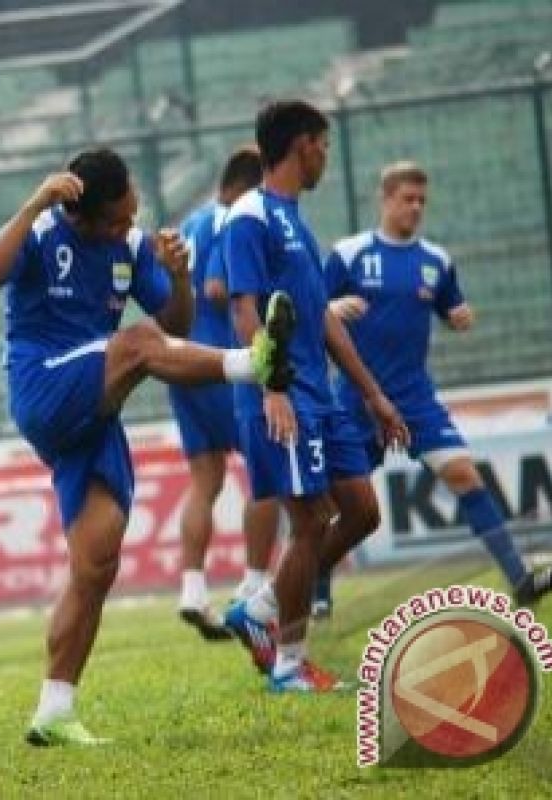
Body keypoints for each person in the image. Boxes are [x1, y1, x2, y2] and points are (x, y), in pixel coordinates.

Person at [0, 146, 296, 746]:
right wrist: (36, 199)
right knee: (136, 341)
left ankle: (54, 710)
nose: (126, 228)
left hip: (92, 408)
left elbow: (176, 327)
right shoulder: (44, 228)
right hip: (43, 384)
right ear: (79, 217)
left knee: (96, 562)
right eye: (115, 221)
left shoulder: (132, 244)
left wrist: (175, 274)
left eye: (131, 214)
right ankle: (256, 362)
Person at [313, 160, 552, 614]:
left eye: (421, 201)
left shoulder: (436, 261)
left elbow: (453, 307)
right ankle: (317, 589)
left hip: (415, 398)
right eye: (407, 199)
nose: (415, 208)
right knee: (337, 505)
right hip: (356, 401)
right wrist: (333, 306)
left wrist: (459, 317)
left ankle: (520, 579)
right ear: (386, 198)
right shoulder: (350, 253)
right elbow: (311, 307)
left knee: (463, 473)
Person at [217, 101, 409, 693]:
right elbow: (242, 309)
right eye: (322, 144)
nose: (327, 154)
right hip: (283, 399)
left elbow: (323, 318)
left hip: (319, 396)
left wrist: (373, 394)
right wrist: (271, 386)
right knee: (312, 522)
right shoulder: (248, 217)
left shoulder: (295, 221)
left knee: (362, 511)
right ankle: (289, 667)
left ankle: (262, 605)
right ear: (302, 145)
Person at [167, 145, 281, 640]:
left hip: (180, 361)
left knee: (205, 479)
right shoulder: (237, 218)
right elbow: (217, 290)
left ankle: (192, 589)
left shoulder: (190, 222)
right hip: (225, 363)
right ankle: (253, 588)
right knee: (267, 471)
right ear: (251, 185)